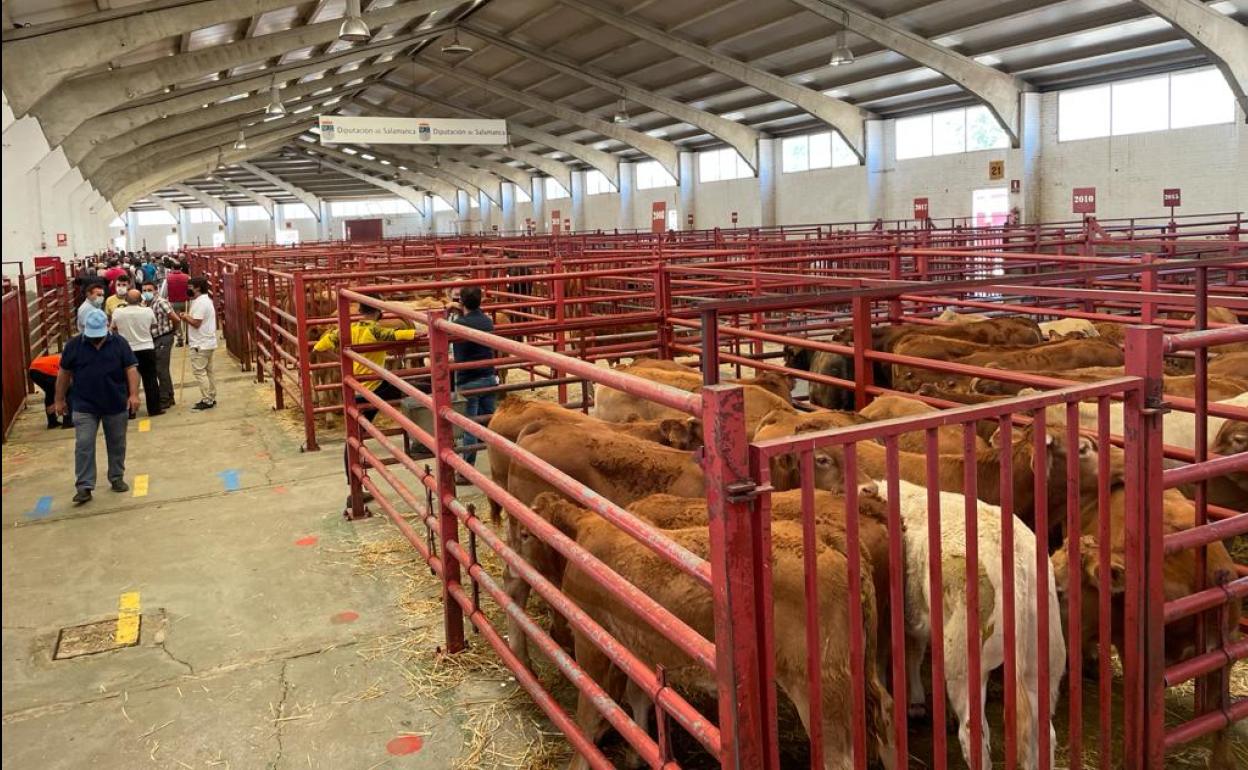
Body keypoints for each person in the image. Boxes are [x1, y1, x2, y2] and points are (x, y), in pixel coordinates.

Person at [312, 295, 418, 506]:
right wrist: (419, 333)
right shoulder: (376, 331)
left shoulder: (347, 330)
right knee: (417, 390)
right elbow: (400, 335)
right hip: (374, 389)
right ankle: (423, 439)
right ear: (378, 313)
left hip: (357, 388)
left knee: (354, 437)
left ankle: (354, 487)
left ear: (360, 311)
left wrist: (341, 357)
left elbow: (319, 346)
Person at [55, 308, 138, 504]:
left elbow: (131, 368)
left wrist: (134, 394)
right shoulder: (74, 346)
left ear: (107, 327)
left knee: (117, 443)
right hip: (84, 404)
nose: (96, 339)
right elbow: (64, 373)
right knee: (83, 444)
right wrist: (59, 399)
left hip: (115, 402)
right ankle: (84, 486)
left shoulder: (119, 343)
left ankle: (116, 477)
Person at [449, 286, 497, 485]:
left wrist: (448, 312)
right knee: (492, 421)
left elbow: (441, 335)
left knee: (469, 426)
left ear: (461, 302)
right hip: (488, 377)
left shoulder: (458, 324)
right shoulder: (487, 321)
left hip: (468, 380)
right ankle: (503, 461)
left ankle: (466, 471)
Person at [111, 288, 163, 417]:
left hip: (127, 349)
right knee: (150, 379)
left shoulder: (118, 312)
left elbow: (113, 328)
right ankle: (154, 408)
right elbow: (153, 325)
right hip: (146, 347)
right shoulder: (147, 311)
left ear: (125, 299)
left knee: (127, 380)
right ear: (141, 300)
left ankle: (130, 411)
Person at [179, 276, 217, 410]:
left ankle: (207, 399)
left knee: (200, 372)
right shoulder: (204, 301)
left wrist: (185, 317)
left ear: (198, 288)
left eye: (190, 287)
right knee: (208, 371)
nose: (188, 289)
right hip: (207, 342)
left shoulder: (201, 303)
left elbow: (196, 323)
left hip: (200, 343)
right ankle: (211, 396)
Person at [142, 279, 180, 410]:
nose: (146, 293)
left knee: (161, 369)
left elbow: (175, 318)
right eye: (144, 291)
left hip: (163, 337)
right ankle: (169, 395)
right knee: (161, 369)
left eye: (149, 290)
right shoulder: (146, 304)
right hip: (154, 338)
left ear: (156, 290)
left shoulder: (161, 302)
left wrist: (173, 331)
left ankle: (164, 398)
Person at [29, 353, 71, 429]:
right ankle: (67, 421)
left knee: (50, 392)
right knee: (68, 391)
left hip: (33, 370)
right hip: (46, 370)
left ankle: (52, 422)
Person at [164, 267, 189, 345]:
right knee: (187, 319)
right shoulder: (187, 277)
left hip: (174, 302)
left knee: (177, 321)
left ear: (172, 268)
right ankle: (188, 337)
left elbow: (164, 292)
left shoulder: (168, 278)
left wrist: (165, 299)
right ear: (181, 268)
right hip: (185, 301)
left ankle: (180, 339)